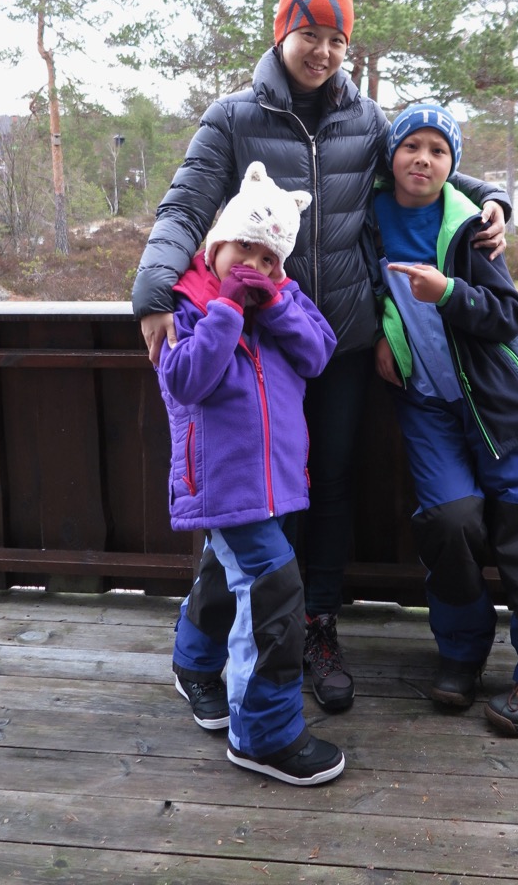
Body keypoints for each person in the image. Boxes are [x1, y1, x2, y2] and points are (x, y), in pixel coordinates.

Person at [133, 0, 511, 714]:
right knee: (244, 497)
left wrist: (490, 197)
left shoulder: (365, 120)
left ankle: (316, 626)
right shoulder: (233, 118)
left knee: (329, 486)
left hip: (334, 342)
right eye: (311, 34)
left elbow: (421, 171)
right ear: (283, 33)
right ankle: (218, 636)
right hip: (252, 348)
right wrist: (151, 292)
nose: (325, 52)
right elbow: (185, 207)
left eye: (337, 39)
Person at [371, 103, 518, 738]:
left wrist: (447, 292)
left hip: (497, 402)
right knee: (449, 522)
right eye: (412, 146)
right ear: (391, 155)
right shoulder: (368, 215)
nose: (423, 159)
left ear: (452, 164)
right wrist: (383, 333)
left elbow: (508, 313)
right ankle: (462, 652)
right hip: (428, 404)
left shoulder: (470, 226)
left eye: (439, 150)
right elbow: (364, 286)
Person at [158, 161, 344, 785]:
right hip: (223, 480)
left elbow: (318, 354)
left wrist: (276, 302)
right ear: (216, 245)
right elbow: (185, 380)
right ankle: (264, 734)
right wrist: (228, 311)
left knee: (226, 572)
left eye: (269, 258)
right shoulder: (188, 305)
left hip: (279, 480)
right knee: (273, 590)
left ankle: (193, 663)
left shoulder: (284, 299)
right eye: (244, 250)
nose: (254, 266)